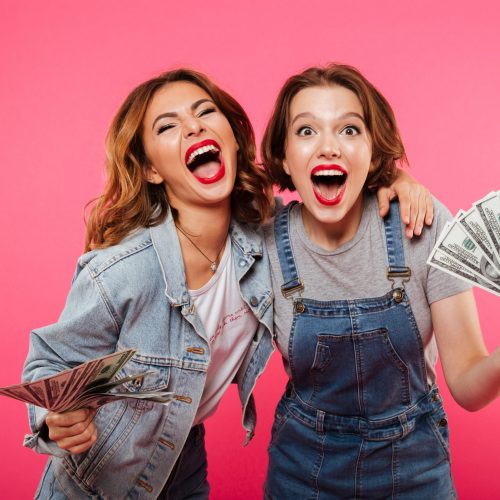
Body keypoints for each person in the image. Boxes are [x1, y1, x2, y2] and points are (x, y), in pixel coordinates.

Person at [22, 68, 431, 499]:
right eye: (168, 126)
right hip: (98, 479)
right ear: (150, 170)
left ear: (233, 139)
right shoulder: (122, 271)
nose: (193, 126)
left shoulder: (268, 237)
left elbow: (331, 200)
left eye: (204, 112)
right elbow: (50, 361)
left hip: (183, 463)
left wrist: (393, 179)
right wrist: (54, 418)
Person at [261, 63, 500, 499]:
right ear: (282, 157)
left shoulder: (423, 226)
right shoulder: (261, 242)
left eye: (349, 130)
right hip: (302, 475)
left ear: (374, 155)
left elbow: (467, 385)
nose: (329, 147)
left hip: (416, 472)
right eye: (307, 131)